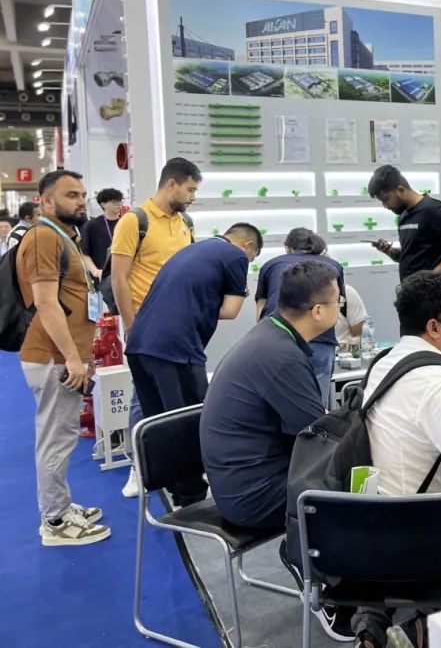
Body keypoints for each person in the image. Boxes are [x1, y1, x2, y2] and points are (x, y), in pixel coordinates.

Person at [355, 270, 441, 647]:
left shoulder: (385, 361)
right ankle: (436, 626)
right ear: (434, 328)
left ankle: (378, 625)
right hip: (415, 536)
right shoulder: (439, 381)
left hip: (364, 525)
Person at [125, 223, 262, 505]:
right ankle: (192, 498)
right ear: (248, 246)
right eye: (252, 258)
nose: (248, 262)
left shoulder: (191, 250)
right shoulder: (235, 256)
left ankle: (171, 488)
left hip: (139, 343)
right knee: (187, 421)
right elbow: (230, 310)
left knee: (158, 422)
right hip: (176, 347)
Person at [200, 260, 339, 530]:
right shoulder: (282, 357)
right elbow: (317, 437)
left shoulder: (270, 334)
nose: (340, 307)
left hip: (242, 480)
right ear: (318, 311)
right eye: (338, 301)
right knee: (359, 480)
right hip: (254, 497)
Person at [16, 170, 111, 546]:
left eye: (82, 194)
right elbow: (46, 303)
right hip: (53, 356)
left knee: (62, 436)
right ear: (45, 200)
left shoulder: (65, 236)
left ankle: (60, 505)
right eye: (71, 195)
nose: (81, 201)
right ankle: (54, 521)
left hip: (64, 355)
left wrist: (82, 355)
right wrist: (73, 358)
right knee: (56, 439)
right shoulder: (44, 237)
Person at [112, 156, 200, 498]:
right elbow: (119, 278)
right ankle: (139, 465)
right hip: (145, 329)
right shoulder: (134, 220)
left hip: (180, 331)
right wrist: (131, 326)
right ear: (171, 184)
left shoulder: (185, 222)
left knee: (176, 400)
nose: (192, 197)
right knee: (142, 397)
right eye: (189, 189)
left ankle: (176, 467)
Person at [256, 228, 345, 407]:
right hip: (321, 338)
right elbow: (335, 305)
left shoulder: (271, 265)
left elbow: (261, 310)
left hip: (277, 339)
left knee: (280, 400)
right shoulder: (333, 265)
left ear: (287, 247)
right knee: (317, 402)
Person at [367, 165, 441, 281]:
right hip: (411, 290)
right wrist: (388, 250)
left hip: (434, 290)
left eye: (386, 199)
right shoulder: (403, 215)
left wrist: (432, 278)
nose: (386, 206)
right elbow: (411, 257)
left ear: (400, 190)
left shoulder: (433, 209)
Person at [80, 187, 124, 279]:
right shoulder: (92, 226)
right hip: (103, 277)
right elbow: (84, 253)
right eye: (114, 202)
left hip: (124, 274)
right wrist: (95, 272)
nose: (118, 205)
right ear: (103, 204)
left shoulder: (126, 223)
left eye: (120, 201)